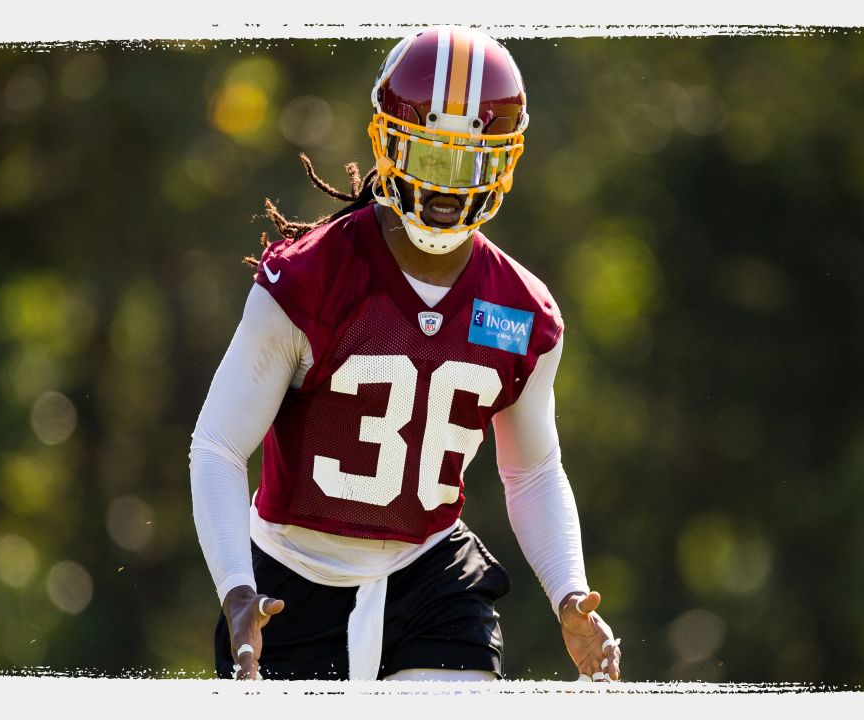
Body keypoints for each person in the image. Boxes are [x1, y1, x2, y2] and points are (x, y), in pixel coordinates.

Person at [189, 25, 620, 682]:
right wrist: (237, 587)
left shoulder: (520, 312)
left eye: (468, 160)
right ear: (386, 144)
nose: (446, 187)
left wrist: (569, 594)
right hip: (291, 583)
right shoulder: (310, 281)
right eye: (428, 156)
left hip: (431, 579)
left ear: (504, 161)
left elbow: (531, 471)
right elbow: (219, 447)